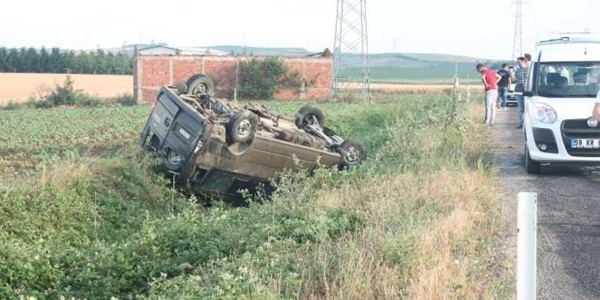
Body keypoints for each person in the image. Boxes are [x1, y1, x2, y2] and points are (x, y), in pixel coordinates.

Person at [515, 57, 529, 129]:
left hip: (527, 90)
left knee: (527, 108)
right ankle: (521, 123)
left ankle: (527, 124)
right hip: (519, 90)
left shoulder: (529, 69)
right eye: (517, 62)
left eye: (519, 62)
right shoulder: (517, 70)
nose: (518, 64)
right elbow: (516, 80)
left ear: (523, 61)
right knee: (521, 108)